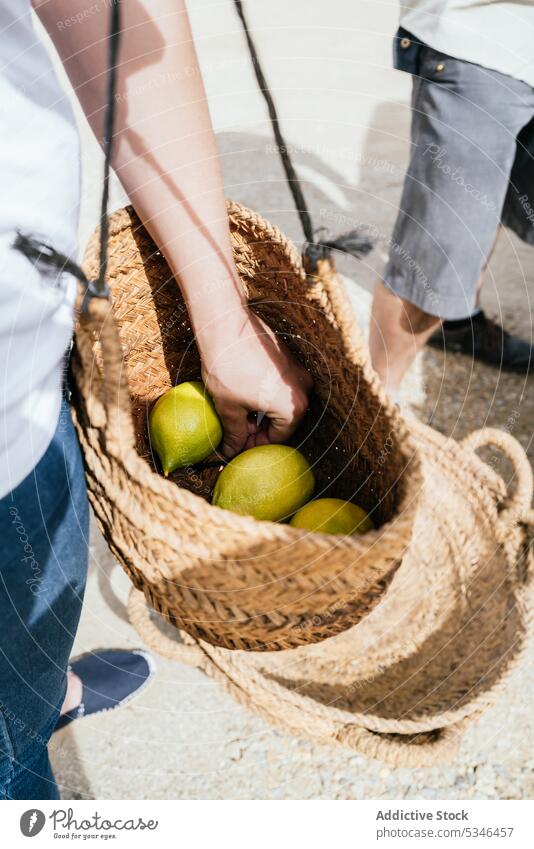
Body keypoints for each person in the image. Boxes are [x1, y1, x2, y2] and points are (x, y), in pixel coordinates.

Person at [0, 0, 310, 800]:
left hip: (20, 398)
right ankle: (22, 736)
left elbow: (98, 12)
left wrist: (226, 326)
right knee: (13, 776)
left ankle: (37, 695)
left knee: (27, 630)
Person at [369, 0, 534, 399]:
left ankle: (457, 325)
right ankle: (371, 406)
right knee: (436, 255)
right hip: (480, 39)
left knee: (491, 201)